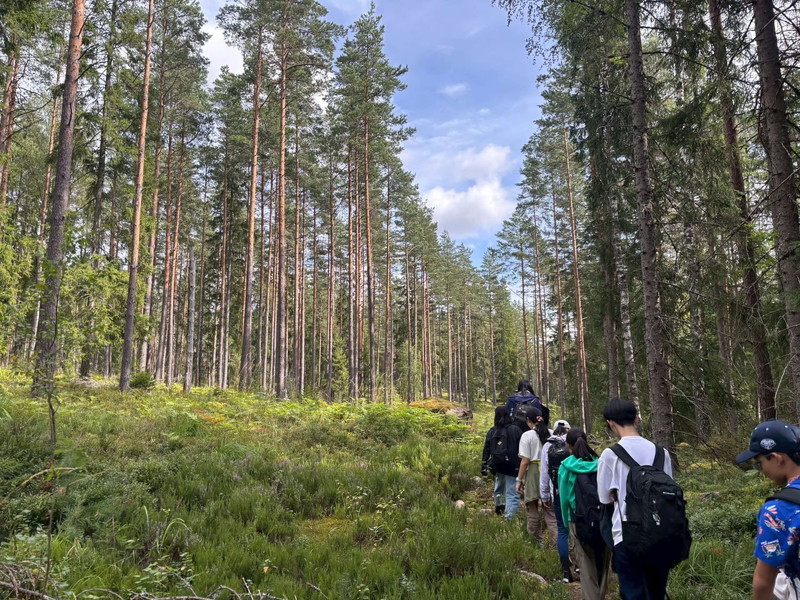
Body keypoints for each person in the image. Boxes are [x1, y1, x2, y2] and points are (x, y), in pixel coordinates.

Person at [596, 397, 674, 600]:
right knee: (656, 594)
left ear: (610, 423)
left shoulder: (610, 455)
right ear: (637, 419)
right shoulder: (662, 453)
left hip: (625, 535)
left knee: (633, 594)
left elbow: (604, 498)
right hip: (660, 535)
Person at [735, 420, 800, 600]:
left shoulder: (777, 509)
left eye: (759, 463)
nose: (761, 470)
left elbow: (764, 581)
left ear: (777, 458)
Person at [559, 428, 612, 600]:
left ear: (569, 445)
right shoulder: (600, 462)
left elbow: (564, 499)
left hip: (578, 519)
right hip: (602, 518)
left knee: (585, 563)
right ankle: (601, 595)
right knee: (603, 561)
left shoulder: (566, 466)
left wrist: (566, 522)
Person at [540, 419, 573, 582]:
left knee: (562, 531)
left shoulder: (547, 446)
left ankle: (566, 571)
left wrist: (544, 495)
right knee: (577, 530)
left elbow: (544, 473)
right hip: (576, 494)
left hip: (558, 493)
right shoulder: (574, 442)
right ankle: (581, 565)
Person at [515, 406, 550, 542]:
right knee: (550, 508)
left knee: (532, 505)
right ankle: (557, 539)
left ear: (528, 421)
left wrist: (519, 480)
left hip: (534, 471)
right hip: (550, 471)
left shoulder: (527, 436)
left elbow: (525, 461)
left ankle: (536, 540)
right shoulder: (551, 433)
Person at [482, 406, 523, 519]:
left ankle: (499, 508)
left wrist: (484, 464)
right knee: (512, 492)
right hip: (512, 466)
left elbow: (486, 449)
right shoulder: (515, 429)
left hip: (497, 465)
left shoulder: (492, 431)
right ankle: (509, 517)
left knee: (499, 487)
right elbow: (522, 448)